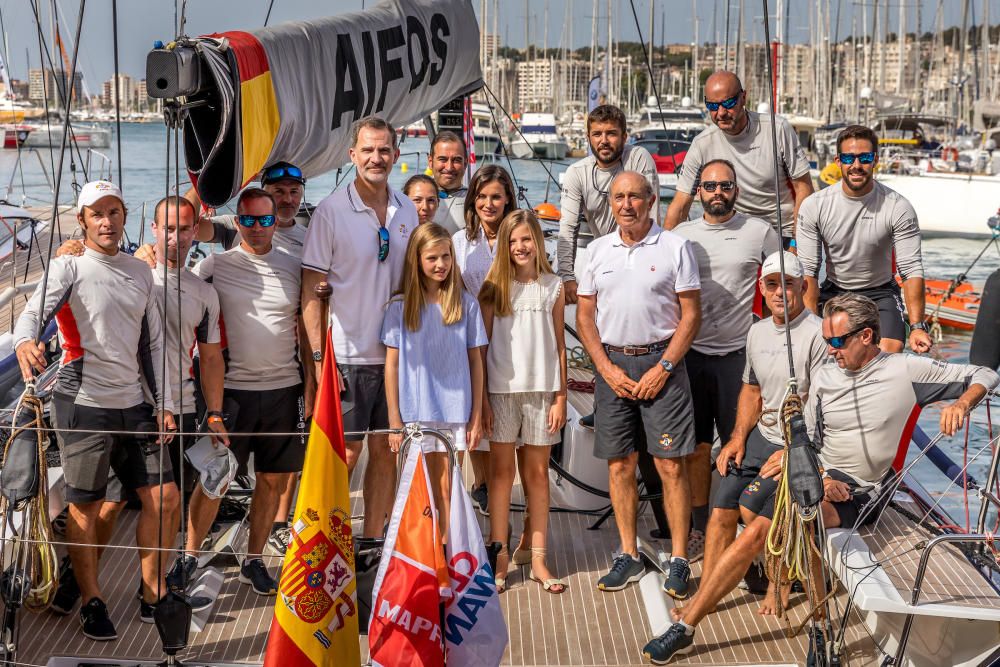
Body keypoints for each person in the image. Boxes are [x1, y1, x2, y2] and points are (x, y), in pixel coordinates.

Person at [642, 293, 999, 664]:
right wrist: (811, 468)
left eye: (837, 341)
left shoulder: (906, 371)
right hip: (818, 475)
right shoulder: (828, 375)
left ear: (866, 336)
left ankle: (709, 625)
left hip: (861, 489)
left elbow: (984, 374)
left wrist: (961, 404)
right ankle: (794, 604)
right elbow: (809, 436)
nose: (830, 350)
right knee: (749, 511)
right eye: (827, 341)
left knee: (782, 524)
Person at [13, 181, 177, 639]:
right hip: (82, 401)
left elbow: (154, 341)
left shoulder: (142, 271)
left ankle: (152, 591)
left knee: (164, 498)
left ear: (125, 216)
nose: (107, 221)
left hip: (135, 403)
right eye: (97, 214)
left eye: (114, 212)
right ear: (82, 220)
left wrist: (162, 401)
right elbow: (33, 312)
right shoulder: (69, 266)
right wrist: (27, 339)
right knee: (85, 507)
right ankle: (92, 599)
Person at [50, 197, 229, 611]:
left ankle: (153, 586)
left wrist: (214, 411)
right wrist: (68, 247)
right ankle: (77, 579)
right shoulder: (135, 269)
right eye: (167, 229)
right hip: (126, 402)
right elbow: (94, 262)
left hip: (176, 407)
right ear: (151, 229)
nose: (176, 238)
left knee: (165, 503)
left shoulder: (204, 292)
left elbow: (212, 356)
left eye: (185, 229)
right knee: (109, 503)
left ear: (195, 233)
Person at [576, 171, 701, 599]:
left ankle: (680, 557)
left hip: (662, 363)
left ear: (651, 201)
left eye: (634, 197)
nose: (626, 204)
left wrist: (663, 367)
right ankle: (627, 554)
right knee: (620, 464)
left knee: (670, 465)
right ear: (610, 203)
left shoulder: (675, 248)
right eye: (618, 197)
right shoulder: (596, 251)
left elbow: (690, 316)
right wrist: (606, 370)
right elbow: (585, 319)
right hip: (613, 364)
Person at [301, 116, 416, 538]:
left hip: (394, 357)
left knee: (386, 454)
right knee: (343, 455)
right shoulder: (331, 212)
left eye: (384, 150)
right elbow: (311, 294)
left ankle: (371, 542)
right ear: (353, 155)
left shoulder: (407, 210)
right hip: (346, 357)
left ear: (396, 155)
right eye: (368, 150)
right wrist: (318, 364)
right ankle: (328, 540)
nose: (376, 157)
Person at [694, 251, 826, 618]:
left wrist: (796, 452)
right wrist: (736, 437)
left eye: (788, 283)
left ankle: (778, 582)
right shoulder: (756, 331)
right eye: (771, 284)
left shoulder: (817, 334)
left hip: (797, 443)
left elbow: (820, 403)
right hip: (760, 436)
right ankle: (707, 588)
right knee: (721, 506)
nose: (780, 292)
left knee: (756, 512)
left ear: (802, 286)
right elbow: (751, 390)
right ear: (761, 289)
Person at [190, 187, 304, 596]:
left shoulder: (295, 266)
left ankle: (253, 560)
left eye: (265, 220)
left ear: (276, 221)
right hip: (231, 394)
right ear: (236, 222)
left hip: (283, 391)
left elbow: (309, 328)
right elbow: (170, 285)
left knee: (272, 483)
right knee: (215, 479)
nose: (257, 228)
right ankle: (189, 557)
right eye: (249, 220)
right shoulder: (214, 265)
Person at [673, 159, 779, 548]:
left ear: (736, 190)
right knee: (698, 449)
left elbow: (776, 288)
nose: (718, 192)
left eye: (725, 186)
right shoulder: (682, 234)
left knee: (743, 446)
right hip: (693, 355)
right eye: (710, 186)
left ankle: (737, 523)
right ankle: (701, 525)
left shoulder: (759, 232)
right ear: (698, 191)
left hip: (739, 355)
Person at [479, 209, 567, 594]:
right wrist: (481, 398)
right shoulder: (492, 287)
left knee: (537, 476)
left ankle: (539, 557)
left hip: (541, 392)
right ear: (503, 245)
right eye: (512, 241)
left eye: (526, 239)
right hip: (500, 391)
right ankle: (499, 557)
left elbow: (561, 347)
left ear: (538, 242)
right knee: (501, 477)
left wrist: (561, 396)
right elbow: (480, 350)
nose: (520, 246)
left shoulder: (553, 286)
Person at [381, 223, 487, 525]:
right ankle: (421, 557)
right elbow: (392, 364)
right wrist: (393, 421)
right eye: (432, 258)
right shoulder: (399, 308)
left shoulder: (466, 305)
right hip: (415, 412)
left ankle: (445, 554)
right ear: (417, 260)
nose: (441, 264)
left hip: (455, 413)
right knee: (415, 488)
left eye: (446, 256)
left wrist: (476, 416)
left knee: (446, 490)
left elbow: (476, 362)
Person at [796, 125, 932, 355]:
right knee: (822, 352)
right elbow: (808, 270)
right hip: (836, 291)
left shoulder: (898, 206)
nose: (856, 166)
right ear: (838, 161)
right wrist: (809, 323)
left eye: (865, 158)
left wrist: (917, 327)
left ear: (875, 160)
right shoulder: (815, 205)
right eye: (849, 158)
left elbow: (910, 269)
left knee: (890, 353)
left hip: (881, 292)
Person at [664, 71, 813, 239]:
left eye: (728, 103)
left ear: (743, 98)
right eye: (712, 106)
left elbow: (804, 188)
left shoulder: (777, 129)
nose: (720, 112)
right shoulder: (701, 144)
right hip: (732, 235)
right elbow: (680, 206)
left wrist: (796, 243)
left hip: (780, 234)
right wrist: (665, 252)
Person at [452, 164, 518, 517]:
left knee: (501, 418)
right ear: (472, 199)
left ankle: (497, 484)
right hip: (471, 339)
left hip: (511, 337)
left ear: (508, 198)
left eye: (496, 196)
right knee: (473, 414)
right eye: (481, 196)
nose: (488, 203)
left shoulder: (518, 238)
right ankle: (481, 484)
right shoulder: (459, 242)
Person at [556, 104, 659, 304]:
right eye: (597, 134)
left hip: (641, 254)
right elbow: (568, 228)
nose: (603, 141)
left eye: (611, 133)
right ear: (588, 138)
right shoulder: (577, 173)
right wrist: (567, 276)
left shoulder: (638, 157)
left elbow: (650, 215)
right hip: (604, 257)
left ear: (624, 136)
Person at [430, 130, 469, 234]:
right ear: (430, 162)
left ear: (465, 163)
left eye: (456, 160)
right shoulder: (413, 198)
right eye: (443, 159)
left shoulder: (475, 201)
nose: (449, 167)